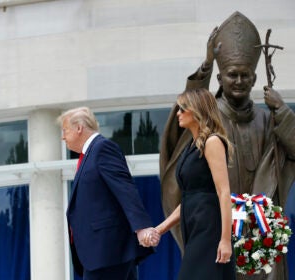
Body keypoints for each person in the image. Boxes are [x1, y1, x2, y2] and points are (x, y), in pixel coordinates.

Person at [160, 11, 295, 280]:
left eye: (246, 75)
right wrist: (206, 66)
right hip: (218, 228)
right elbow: (180, 126)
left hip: (259, 229)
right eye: (232, 75)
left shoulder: (270, 119)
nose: (239, 81)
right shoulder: (207, 122)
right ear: (220, 79)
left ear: (255, 79)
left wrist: (283, 111)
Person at [58, 106, 160, 280]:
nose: (63, 136)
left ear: (79, 128)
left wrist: (141, 227)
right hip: (105, 252)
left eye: (65, 130)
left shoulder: (102, 148)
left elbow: (125, 188)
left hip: (107, 251)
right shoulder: (89, 155)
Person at [147, 88, 235, 279]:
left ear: (196, 110)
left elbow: (224, 192)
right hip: (194, 227)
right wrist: (160, 229)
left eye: (182, 108)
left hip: (209, 229)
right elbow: (189, 198)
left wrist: (226, 240)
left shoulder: (212, 142)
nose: (178, 113)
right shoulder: (191, 147)